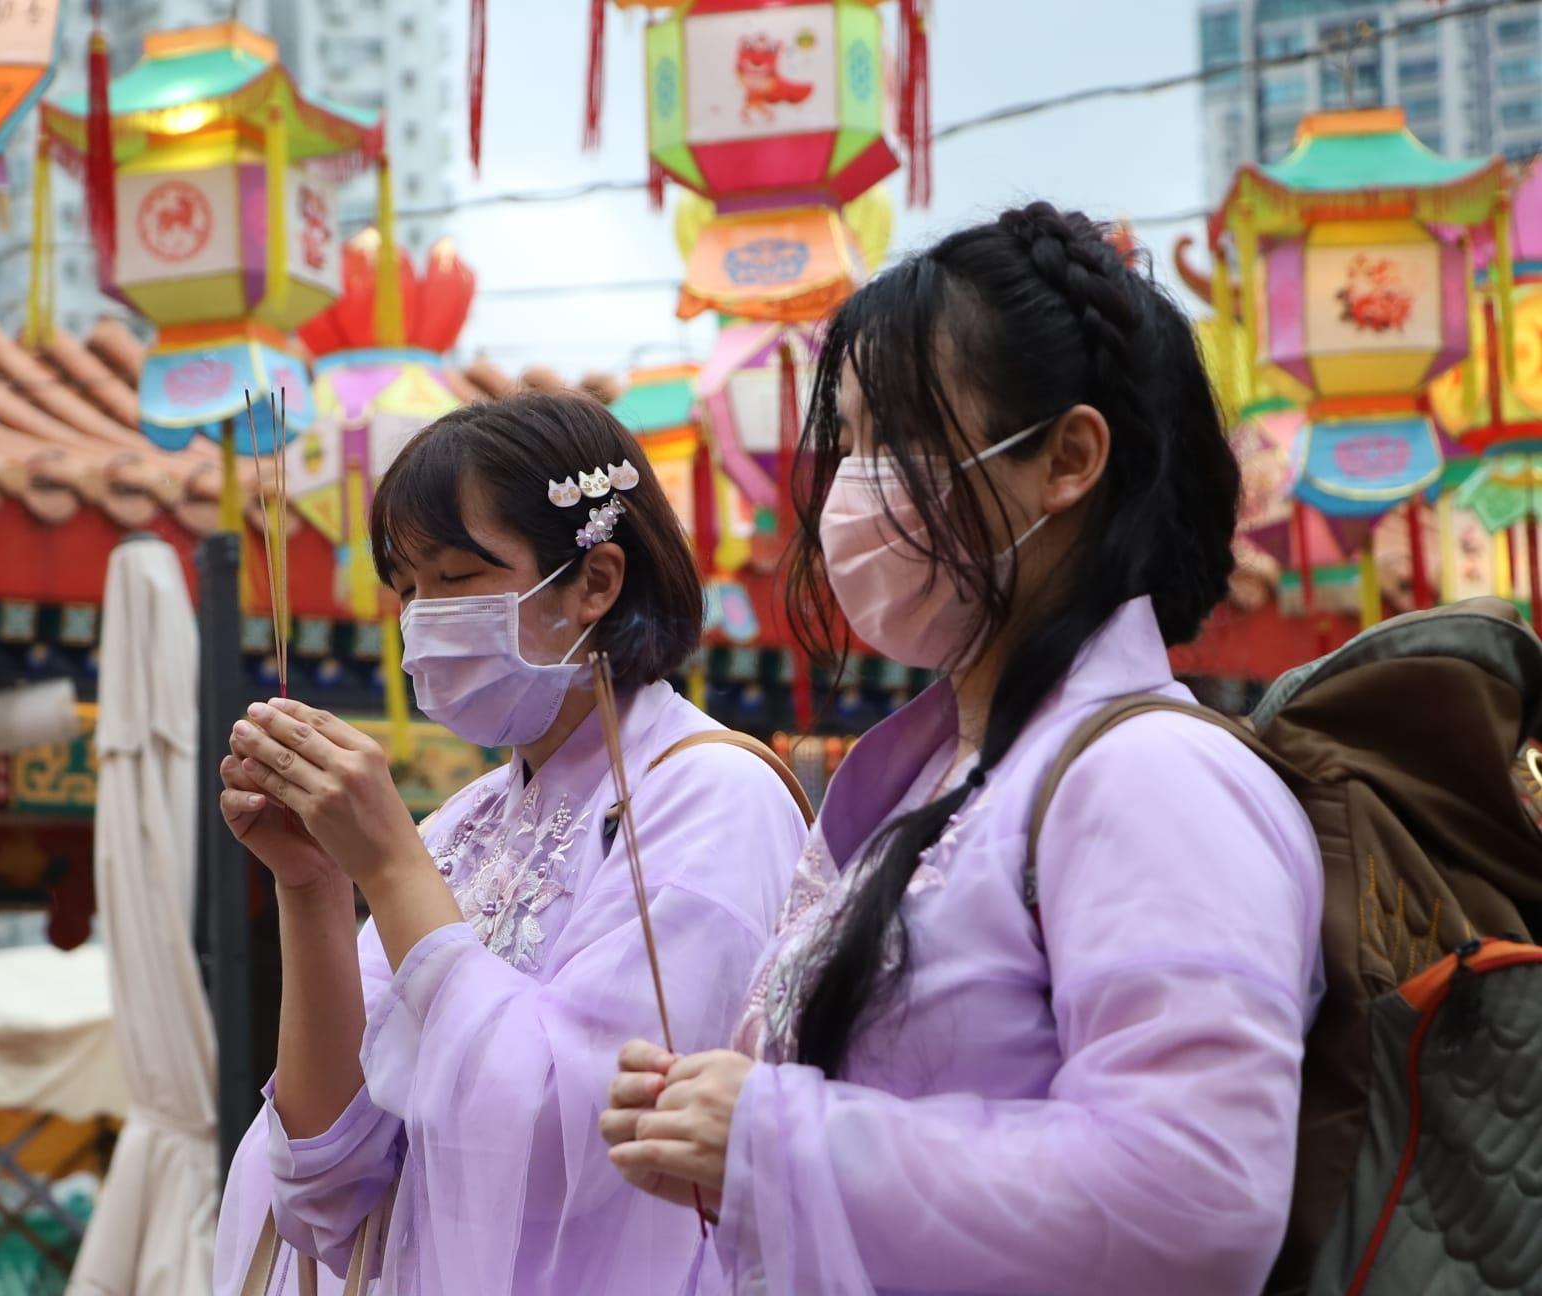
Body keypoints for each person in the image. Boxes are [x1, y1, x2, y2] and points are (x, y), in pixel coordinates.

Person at [600, 204, 1324, 1295]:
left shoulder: (1152, 777)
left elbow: (1194, 1196)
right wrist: (725, 1138)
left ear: (1067, 459)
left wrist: (778, 1137)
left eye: (897, 437)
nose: (855, 487)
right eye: (850, 443)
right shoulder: (947, 776)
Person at [210, 392, 809, 1295]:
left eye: (455, 577)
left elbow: (577, 1145)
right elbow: (323, 1179)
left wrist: (390, 866)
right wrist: (314, 886)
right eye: (408, 590)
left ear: (595, 582)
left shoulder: (715, 796)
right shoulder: (462, 824)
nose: (421, 618)